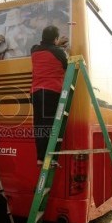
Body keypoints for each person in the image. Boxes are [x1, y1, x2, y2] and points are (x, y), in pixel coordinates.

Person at [30, 25, 69, 165]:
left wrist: (56, 44)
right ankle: (49, 158)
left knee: (39, 125)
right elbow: (67, 66)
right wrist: (61, 48)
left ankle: (40, 158)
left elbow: (47, 48)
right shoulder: (59, 52)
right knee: (51, 125)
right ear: (56, 38)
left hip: (35, 92)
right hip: (51, 92)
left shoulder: (34, 50)